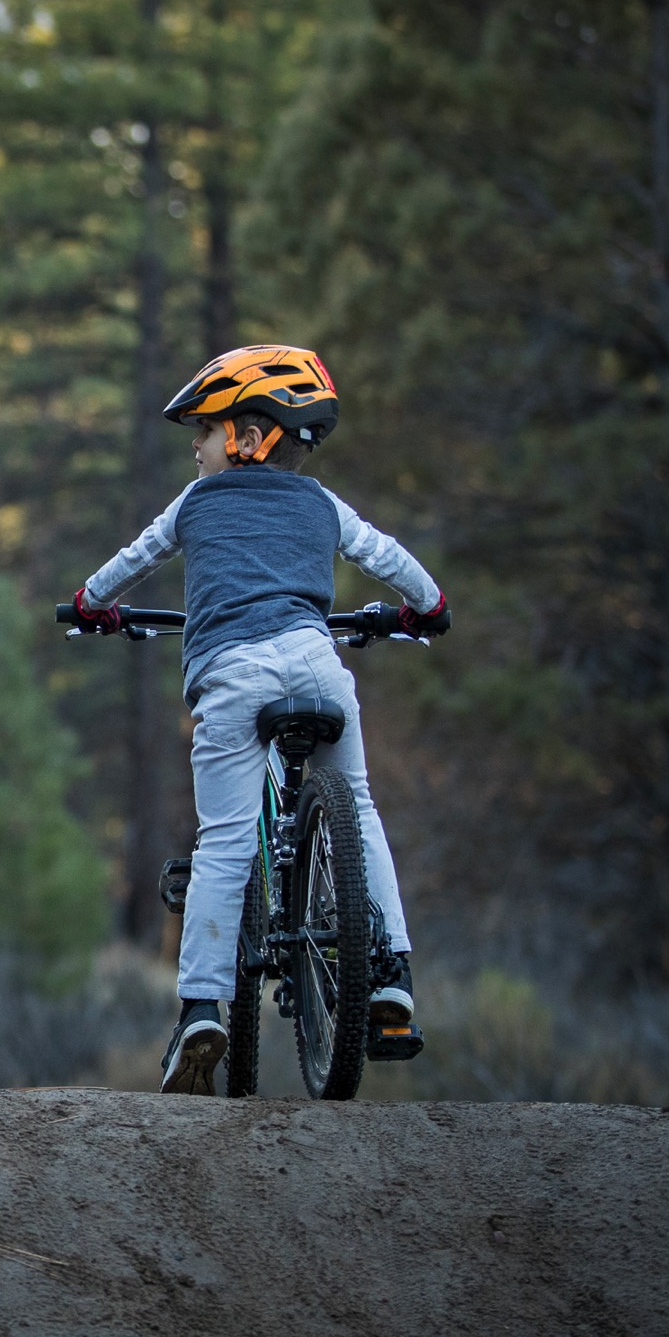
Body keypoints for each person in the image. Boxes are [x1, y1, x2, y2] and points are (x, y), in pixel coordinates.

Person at [69, 345, 449, 1095]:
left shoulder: (194, 503)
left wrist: (91, 604)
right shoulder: (322, 505)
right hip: (319, 665)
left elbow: (129, 562)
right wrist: (426, 610)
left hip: (231, 675)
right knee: (361, 805)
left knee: (227, 841)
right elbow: (394, 561)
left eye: (205, 430)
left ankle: (202, 1009)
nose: (195, 445)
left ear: (250, 435)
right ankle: (392, 975)